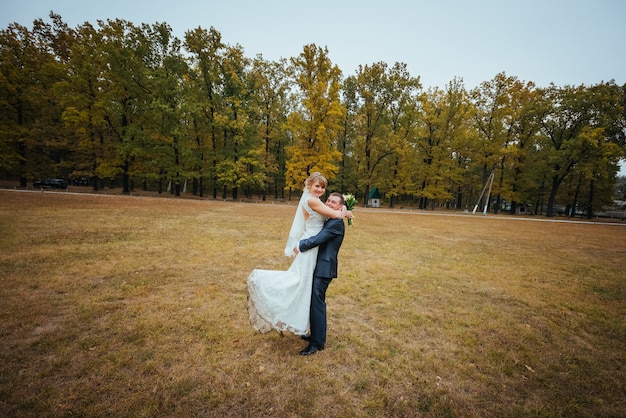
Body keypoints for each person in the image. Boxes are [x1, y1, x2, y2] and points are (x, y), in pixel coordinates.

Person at [247, 172, 349, 336]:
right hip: (310, 244)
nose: (320, 189)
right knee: (299, 283)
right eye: (317, 186)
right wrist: (344, 209)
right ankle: (267, 287)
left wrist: (344, 207)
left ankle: (305, 328)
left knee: (304, 286)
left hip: (313, 246)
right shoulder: (311, 200)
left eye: (323, 187)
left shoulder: (316, 201)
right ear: (309, 185)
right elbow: (335, 214)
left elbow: (333, 214)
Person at [295, 192, 346, 355]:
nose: (330, 203)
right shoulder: (331, 217)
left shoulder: (336, 223)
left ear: (339, 206)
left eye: (334, 202)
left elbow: (318, 239)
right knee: (313, 301)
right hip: (318, 266)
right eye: (329, 200)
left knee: (317, 303)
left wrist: (300, 245)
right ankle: (315, 335)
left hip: (325, 269)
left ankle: (317, 343)